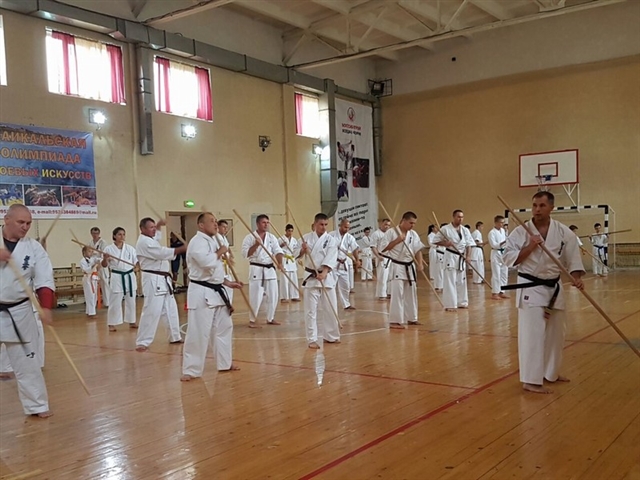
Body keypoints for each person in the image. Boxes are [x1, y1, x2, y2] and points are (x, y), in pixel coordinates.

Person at [503, 191, 584, 394]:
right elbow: (509, 259)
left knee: (557, 333)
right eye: (534, 205)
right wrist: (531, 246)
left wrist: (576, 277)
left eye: (542, 206)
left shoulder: (564, 232)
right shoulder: (521, 232)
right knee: (532, 334)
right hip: (530, 286)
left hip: (554, 287)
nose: (537, 209)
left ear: (551, 208)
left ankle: (550, 373)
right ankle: (530, 380)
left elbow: (573, 257)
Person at [0, 204, 54, 417]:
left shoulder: (33, 248)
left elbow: (44, 278)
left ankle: (37, 405)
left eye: (28, 223)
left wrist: (46, 306)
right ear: (6, 219)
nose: (25, 227)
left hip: (19, 310)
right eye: (21, 222)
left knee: (27, 361)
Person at [181, 213, 243, 381]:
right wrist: (220, 251)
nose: (215, 224)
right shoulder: (197, 242)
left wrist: (227, 282)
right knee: (198, 332)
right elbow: (206, 263)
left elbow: (216, 270)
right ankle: (191, 369)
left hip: (218, 290)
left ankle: (225, 363)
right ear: (201, 225)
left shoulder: (215, 240)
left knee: (224, 328)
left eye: (216, 221)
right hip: (201, 292)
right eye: (211, 221)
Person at [134, 218, 186, 352]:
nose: (153, 230)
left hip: (163, 279)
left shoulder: (151, 239)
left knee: (170, 309)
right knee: (152, 310)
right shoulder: (144, 242)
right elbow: (161, 252)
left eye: (153, 227)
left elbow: (156, 238)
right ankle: (142, 341)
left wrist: (158, 226)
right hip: (153, 279)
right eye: (150, 227)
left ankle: (174, 336)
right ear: (142, 229)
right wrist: (181, 249)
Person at [299, 213, 340, 349]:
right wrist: (302, 250)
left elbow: (331, 256)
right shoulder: (305, 238)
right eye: (321, 224)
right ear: (315, 224)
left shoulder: (331, 240)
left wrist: (325, 272)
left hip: (326, 277)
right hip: (311, 277)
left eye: (326, 224)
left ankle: (331, 336)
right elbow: (295, 255)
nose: (324, 227)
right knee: (310, 311)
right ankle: (312, 339)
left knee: (331, 308)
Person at [379, 212, 425, 329]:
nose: (412, 225)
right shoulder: (391, 232)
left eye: (414, 223)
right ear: (403, 220)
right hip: (397, 266)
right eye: (410, 223)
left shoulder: (413, 234)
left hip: (410, 266)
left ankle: (412, 318)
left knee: (412, 293)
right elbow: (382, 249)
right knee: (397, 294)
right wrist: (397, 240)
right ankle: (395, 321)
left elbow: (418, 249)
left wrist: (420, 263)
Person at [241, 214, 284, 327]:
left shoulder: (271, 237)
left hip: (270, 269)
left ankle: (271, 318)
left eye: (267, 222)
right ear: (257, 224)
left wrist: (280, 263)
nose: (266, 225)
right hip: (256, 269)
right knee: (256, 296)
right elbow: (245, 254)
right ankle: (252, 320)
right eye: (263, 222)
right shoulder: (250, 237)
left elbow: (278, 251)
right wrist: (256, 245)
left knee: (273, 295)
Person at [433, 210, 475, 311]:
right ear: (453, 217)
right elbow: (435, 240)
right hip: (451, 256)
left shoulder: (465, 230)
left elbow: (469, 244)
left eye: (462, 217)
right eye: (458, 217)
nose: (460, 219)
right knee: (450, 281)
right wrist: (445, 244)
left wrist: (468, 256)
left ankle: (462, 302)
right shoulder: (445, 229)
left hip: (461, 257)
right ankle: (450, 305)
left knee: (461, 280)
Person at [102, 227, 139, 332]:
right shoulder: (108, 249)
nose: (122, 236)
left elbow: (136, 263)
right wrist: (105, 258)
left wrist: (137, 267)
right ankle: (112, 323)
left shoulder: (130, 249)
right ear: (114, 236)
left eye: (123, 234)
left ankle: (132, 321)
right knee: (115, 300)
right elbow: (104, 265)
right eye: (119, 234)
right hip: (117, 276)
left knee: (131, 300)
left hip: (129, 275)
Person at [329, 218, 360, 311]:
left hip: (343, 264)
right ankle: (330, 304)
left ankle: (346, 304)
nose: (347, 229)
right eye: (345, 227)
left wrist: (357, 260)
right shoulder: (331, 235)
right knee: (331, 285)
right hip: (333, 264)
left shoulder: (349, 237)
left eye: (348, 228)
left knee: (346, 286)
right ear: (340, 225)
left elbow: (355, 249)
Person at [278, 224, 301, 303]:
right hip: (284, 259)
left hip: (292, 260)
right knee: (284, 280)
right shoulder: (280, 239)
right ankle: (284, 297)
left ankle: (294, 296)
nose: (290, 232)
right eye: (289, 231)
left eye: (291, 231)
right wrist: (281, 245)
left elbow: (296, 251)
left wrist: (298, 258)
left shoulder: (294, 240)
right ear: (285, 230)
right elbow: (276, 249)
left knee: (294, 279)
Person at [488, 215, 509, 300]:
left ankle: (502, 291)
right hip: (495, 253)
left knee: (504, 272)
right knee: (496, 273)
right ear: (496, 222)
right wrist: (503, 242)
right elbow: (494, 245)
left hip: (503, 253)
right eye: (500, 222)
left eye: (503, 223)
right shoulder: (491, 233)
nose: (502, 224)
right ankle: (495, 293)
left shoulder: (503, 231)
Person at [370, 218, 392, 300]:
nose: (387, 226)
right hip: (382, 257)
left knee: (390, 276)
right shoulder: (376, 234)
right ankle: (381, 294)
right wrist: (378, 256)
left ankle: (389, 292)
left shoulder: (390, 233)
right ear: (381, 224)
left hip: (390, 257)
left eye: (388, 225)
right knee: (382, 277)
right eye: (385, 224)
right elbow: (373, 246)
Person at [90, 227, 110, 307]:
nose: (95, 235)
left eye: (96, 233)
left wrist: (100, 264)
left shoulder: (103, 242)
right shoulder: (90, 243)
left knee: (105, 283)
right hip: (93, 265)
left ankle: (107, 302)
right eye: (93, 233)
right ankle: (94, 302)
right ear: (91, 234)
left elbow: (104, 254)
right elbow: (89, 254)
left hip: (102, 264)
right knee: (93, 283)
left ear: (99, 234)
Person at [216, 219, 236, 303]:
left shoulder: (224, 238)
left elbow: (227, 248)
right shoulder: (216, 238)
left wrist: (231, 257)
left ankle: (229, 303)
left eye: (226, 227)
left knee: (229, 287)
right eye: (223, 227)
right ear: (218, 227)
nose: (225, 229)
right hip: (220, 265)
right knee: (223, 286)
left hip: (226, 266)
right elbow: (219, 252)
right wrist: (225, 257)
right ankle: (224, 303)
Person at [80, 246, 100, 317]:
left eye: (91, 251)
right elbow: (86, 270)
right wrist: (93, 266)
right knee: (90, 295)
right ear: (84, 252)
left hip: (94, 278)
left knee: (94, 296)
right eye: (89, 251)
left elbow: (100, 260)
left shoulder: (93, 259)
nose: (91, 253)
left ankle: (89, 311)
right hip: (88, 278)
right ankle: (91, 313)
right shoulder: (82, 261)